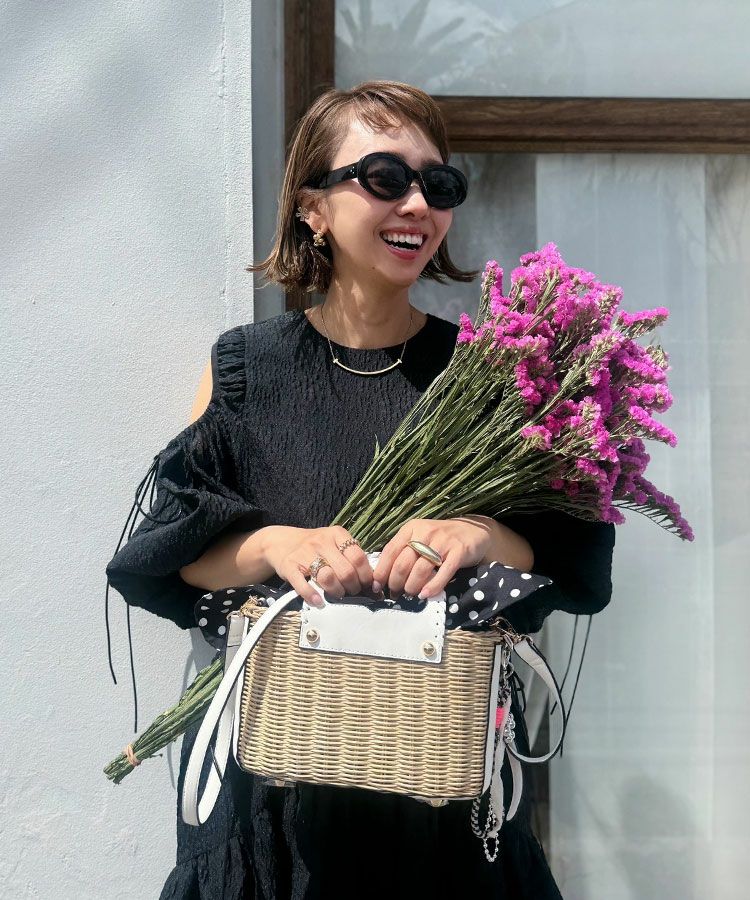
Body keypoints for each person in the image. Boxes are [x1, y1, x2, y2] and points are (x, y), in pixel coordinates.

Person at [105, 80, 616, 899]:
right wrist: (276, 546)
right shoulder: (246, 370)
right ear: (313, 208)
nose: (417, 203)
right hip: (274, 814)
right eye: (384, 178)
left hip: (446, 815)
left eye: (438, 184)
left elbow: (567, 556)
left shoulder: (488, 376)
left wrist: (479, 536)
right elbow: (180, 556)